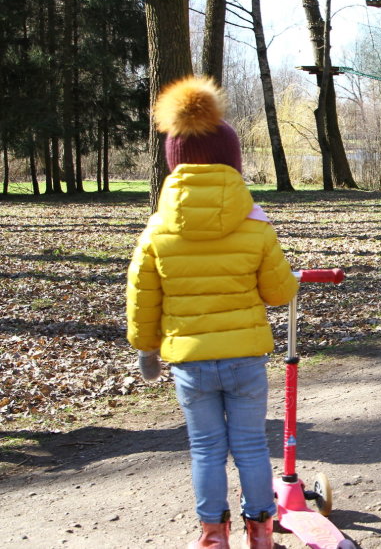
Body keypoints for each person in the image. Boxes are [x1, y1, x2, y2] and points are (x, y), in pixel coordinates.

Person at [126, 76, 298, 549]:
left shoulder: (157, 230)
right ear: (232, 162)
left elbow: (143, 295)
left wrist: (146, 348)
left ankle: (212, 536)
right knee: (249, 447)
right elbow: (279, 292)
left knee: (205, 448)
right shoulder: (254, 225)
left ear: (173, 163)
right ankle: (261, 534)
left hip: (189, 360)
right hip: (244, 358)